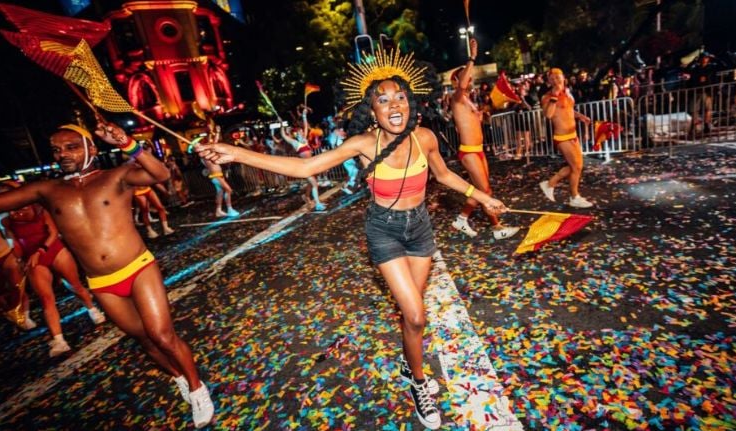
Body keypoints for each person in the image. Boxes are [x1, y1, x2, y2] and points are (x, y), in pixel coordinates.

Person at [195, 47, 509, 430]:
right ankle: (419, 381)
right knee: (415, 313)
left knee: (413, 322)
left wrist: (482, 196)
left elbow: (444, 176)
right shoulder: (363, 144)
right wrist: (237, 153)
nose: (394, 105)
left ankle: (410, 368)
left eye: (399, 97)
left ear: (409, 102)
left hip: (421, 229)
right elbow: (305, 166)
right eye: (383, 99)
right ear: (372, 110)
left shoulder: (425, 137)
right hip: (385, 232)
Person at [0, 123, 214, 428]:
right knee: (144, 340)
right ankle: (179, 378)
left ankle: (197, 389)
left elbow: (161, 175)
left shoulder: (115, 176)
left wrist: (127, 143)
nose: (63, 154)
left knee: (162, 335)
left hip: (138, 268)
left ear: (91, 148)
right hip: (103, 283)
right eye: (57, 149)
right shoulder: (47, 190)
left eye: (71, 147)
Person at [2, 201, 107, 356]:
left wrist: (40, 251)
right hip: (33, 259)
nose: (13, 213)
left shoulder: (41, 210)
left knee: (75, 285)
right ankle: (59, 341)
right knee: (46, 299)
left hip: (54, 251)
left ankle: (92, 309)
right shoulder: (5, 220)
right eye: (8, 210)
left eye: (16, 209)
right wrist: (18, 260)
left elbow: (53, 233)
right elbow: (15, 243)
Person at [449, 37, 519, 240]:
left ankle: (462, 219)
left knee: (481, 189)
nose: (468, 79)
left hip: (478, 150)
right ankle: (497, 228)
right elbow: (462, 85)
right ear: (456, 81)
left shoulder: (468, 102)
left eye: (468, 76)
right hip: (469, 152)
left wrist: (486, 111)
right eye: (463, 76)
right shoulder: (457, 97)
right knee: (486, 189)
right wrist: (472, 57)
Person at [539, 68, 594, 208]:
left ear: (564, 78)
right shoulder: (547, 96)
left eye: (558, 77)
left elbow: (568, 109)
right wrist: (554, 96)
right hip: (562, 136)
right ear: (549, 82)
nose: (556, 80)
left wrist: (581, 116)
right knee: (576, 166)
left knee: (576, 166)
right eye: (552, 78)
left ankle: (550, 184)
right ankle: (574, 196)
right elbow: (548, 115)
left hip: (573, 134)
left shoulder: (568, 92)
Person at [0, 206, 33, 331]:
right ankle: (13, 314)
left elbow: (11, 232)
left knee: (17, 287)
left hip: (6, 254)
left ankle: (25, 317)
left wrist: (18, 255)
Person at [278, 126, 326, 211]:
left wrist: (304, 115)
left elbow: (306, 127)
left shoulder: (305, 141)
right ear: (296, 135)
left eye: (302, 132)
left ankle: (306, 196)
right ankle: (318, 203)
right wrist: (282, 126)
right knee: (314, 184)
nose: (302, 133)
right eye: (300, 132)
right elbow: (284, 136)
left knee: (311, 184)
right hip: (305, 167)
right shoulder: (295, 143)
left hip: (311, 165)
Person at [325, 118, 358, 194]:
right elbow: (341, 137)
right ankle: (349, 187)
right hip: (344, 153)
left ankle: (347, 185)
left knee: (352, 170)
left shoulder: (333, 133)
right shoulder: (338, 132)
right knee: (353, 170)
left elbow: (333, 144)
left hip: (344, 154)